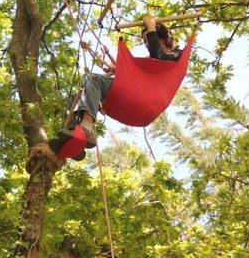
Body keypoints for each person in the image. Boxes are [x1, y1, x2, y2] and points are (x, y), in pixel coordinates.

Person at [48, 15, 182, 160]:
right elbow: (120, 69)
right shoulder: (149, 63)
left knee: (91, 78)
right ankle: (75, 134)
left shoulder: (177, 56)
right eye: (145, 41)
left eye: (148, 39)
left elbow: (159, 57)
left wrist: (150, 27)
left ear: (160, 36)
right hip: (130, 98)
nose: (147, 44)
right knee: (76, 98)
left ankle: (86, 124)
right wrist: (94, 53)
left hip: (141, 99)